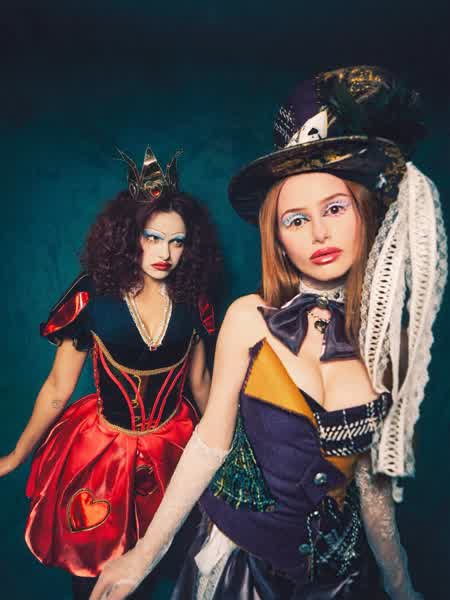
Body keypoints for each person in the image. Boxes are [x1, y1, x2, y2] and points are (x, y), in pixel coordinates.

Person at [90, 66, 447, 600]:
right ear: (278, 239)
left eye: (334, 208)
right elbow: (210, 442)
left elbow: (373, 490)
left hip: (338, 580)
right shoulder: (247, 317)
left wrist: (402, 587)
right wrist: (143, 556)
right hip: (243, 571)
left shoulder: (387, 341)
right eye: (296, 219)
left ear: (364, 213)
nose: (320, 232)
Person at [0, 146, 221, 599]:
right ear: (128, 234)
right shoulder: (93, 296)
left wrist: (232, 457)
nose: (165, 253)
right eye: (152, 237)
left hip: (174, 448)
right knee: (95, 576)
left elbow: (201, 384)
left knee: (167, 568)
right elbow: (58, 388)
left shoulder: (193, 298)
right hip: (102, 453)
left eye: (177, 242)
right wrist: (16, 455)